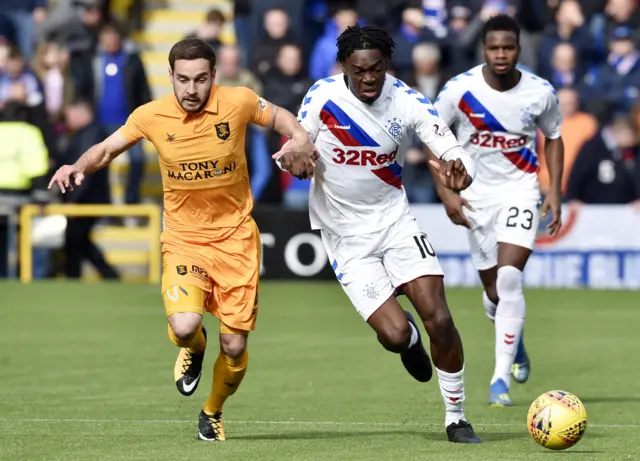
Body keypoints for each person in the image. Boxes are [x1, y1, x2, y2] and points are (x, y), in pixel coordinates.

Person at [48, 38, 317, 441]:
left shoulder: (239, 101)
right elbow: (106, 149)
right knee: (186, 324)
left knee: (235, 347)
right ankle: (193, 345)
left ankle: (212, 411)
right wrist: (78, 164)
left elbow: (278, 116)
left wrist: (297, 135)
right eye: (184, 80)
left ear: (214, 77)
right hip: (184, 237)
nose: (192, 89)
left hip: (236, 239)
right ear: (170, 76)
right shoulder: (151, 115)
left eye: (201, 79)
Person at [285, 24, 482, 443]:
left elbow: (444, 142)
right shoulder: (321, 97)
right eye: (360, 71)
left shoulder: (406, 99)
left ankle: (456, 416)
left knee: (441, 318)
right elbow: (296, 146)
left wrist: (460, 166)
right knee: (394, 336)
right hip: (345, 237)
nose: (369, 78)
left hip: (395, 222)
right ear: (345, 68)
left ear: (386, 65)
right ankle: (408, 339)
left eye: (376, 69)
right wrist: (294, 161)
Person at [431, 15, 564, 406]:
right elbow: (433, 138)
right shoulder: (458, 90)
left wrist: (553, 190)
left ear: (519, 49)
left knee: (508, 280)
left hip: (521, 190)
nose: (501, 54)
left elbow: (554, 137)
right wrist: (446, 194)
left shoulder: (539, 92)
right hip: (475, 196)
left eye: (508, 47)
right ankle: (516, 341)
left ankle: (499, 380)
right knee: (493, 293)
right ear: (483, 50)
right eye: (494, 48)